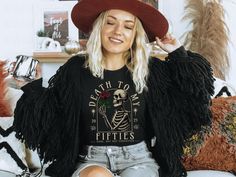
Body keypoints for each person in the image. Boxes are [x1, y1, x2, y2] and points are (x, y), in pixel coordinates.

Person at [13, 0, 215, 177]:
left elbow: (194, 96)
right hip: (90, 160)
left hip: (139, 159)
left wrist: (178, 53)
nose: (118, 31)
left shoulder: (152, 70)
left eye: (128, 26)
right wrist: (31, 88)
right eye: (110, 22)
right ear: (98, 27)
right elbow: (51, 118)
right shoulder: (75, 70)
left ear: (135, 34)